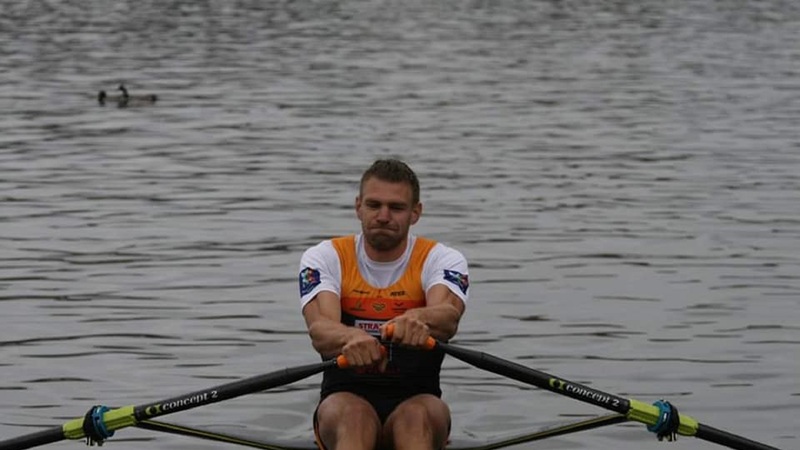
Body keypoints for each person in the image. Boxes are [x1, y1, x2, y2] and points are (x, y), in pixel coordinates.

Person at [298, 158, 470, 450]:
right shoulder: (325, 257)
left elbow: (448, 317)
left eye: (397, 207)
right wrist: (351, 337)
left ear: (415, 213)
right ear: (358, 207)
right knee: (354, 418)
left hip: (419, 399)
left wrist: (418, 320)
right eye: (374, 205)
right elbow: (321, 331)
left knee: (414, 419)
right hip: (343, 399)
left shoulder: (442, 259)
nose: (383, 216)